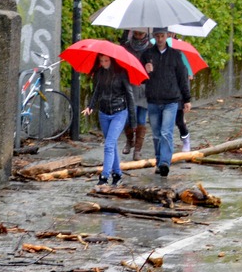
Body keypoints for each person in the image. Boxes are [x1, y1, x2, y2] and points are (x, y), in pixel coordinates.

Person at [141, 27, 192, 178]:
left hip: (171, 100)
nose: (160, 39)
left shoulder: (176, 55)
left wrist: (187, 99)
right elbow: (140, 79)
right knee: (156, 134)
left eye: (162, 36)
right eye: (157, 36)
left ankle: (165, 162)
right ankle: (158, 161)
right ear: (154, 37)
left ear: (167, 36)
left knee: (166, 132)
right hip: (153, 100)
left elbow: (183, 78)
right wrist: (146, 71)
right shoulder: (147, 55)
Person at [82, 54, 135, 186]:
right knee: (111, 144)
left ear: (112, 60)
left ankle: (104, 176)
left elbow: (130, 96)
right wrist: (90, 106)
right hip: (104, 113)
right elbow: (97, 91)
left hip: (119, 112)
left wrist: (133, 121)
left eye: (106, 61)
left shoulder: (121, 73)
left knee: (109, 145)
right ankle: (117, 174)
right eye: (101, 61)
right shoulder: (100, 73)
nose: (104, 63)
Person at [119, 29, 151, 161]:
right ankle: (129, 140)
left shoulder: (150, 48)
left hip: (144, 87)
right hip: (130, 86)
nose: (138, 36)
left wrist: (151, 68)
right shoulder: (126, 47)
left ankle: (137, 150)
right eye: (136, 33)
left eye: (141, 33)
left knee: (141, 119)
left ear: (146, 33)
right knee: (128, 117)